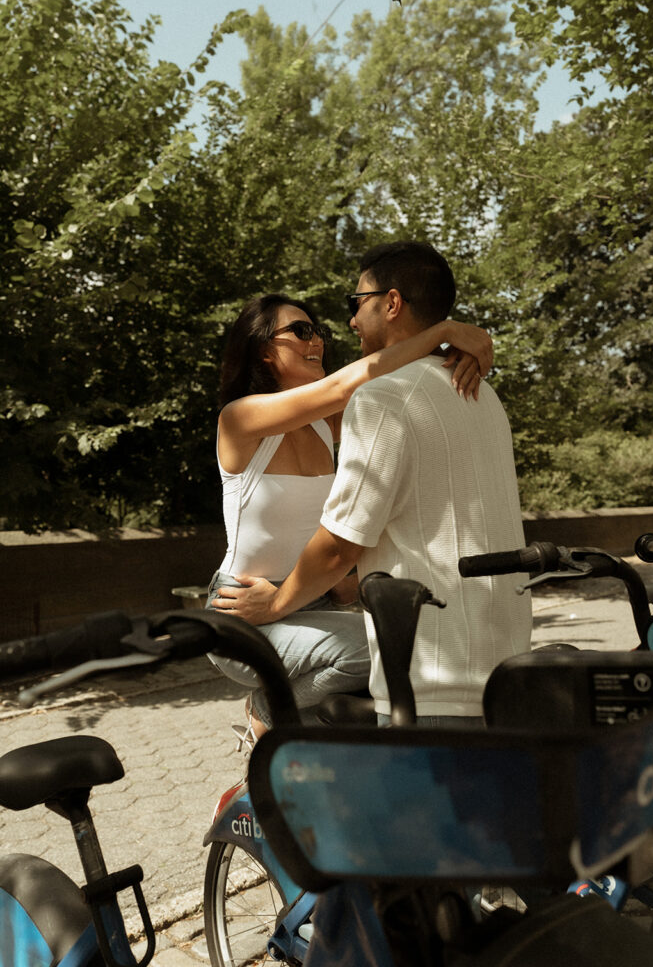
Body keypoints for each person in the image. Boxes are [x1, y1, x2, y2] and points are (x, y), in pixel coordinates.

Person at [213, 243, 533, 727]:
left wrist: (452, 352)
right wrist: (443, 332)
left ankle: (292, 748)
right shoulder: (239, 419)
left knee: (375, 678)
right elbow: (349, 385)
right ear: (264, 349)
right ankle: (268, 712)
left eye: (318, 330)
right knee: (384, 650)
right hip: (243, 606)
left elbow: (404, 398)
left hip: (309, 601)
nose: (319, 339)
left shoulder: (329, 423)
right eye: (300, 331)